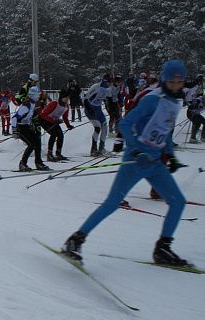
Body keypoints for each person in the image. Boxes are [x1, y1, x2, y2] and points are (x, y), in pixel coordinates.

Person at [61, 60, 190, 267]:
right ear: (165, 80)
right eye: (173, 81)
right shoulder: (152, 100)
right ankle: (75, 240)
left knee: (178, 202)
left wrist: (170, 155)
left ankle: (163, 248)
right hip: (136, 161)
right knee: (113, 203)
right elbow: (125, 123)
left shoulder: (175, 102)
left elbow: (164, 131)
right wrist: (136, 149)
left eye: (180, 81)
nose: (176, 85)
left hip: (155, 162)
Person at [12, 86, 50, 171]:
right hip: (20, 127)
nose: (38, 96)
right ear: (32, 95)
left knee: (37, 142)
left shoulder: (33, 104)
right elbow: (14, 118)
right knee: (31, 144)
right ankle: (22, 164)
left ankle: (38, 163)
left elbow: (31, 116)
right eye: (37, 95)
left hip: (27, 126)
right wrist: (14, 130)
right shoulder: (26, 105)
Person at [39, 90, 74, 162]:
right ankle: (49, 154)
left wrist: (68, 125)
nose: (68, 99)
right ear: (62, 97)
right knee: (54, 134)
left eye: (68, 98)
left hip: (54, 122)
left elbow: (65, 117)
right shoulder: (54, 103)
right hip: (44, 121)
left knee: (61, 135)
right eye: (66, 98)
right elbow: (43, 114)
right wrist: (54, 121)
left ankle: (58, 154)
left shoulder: (66, 106)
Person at [83, 74, 111, 156]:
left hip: (98, 109)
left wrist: (108, 107)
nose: (109, 84)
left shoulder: (107, 90)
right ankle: (93, 150)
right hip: (90, 109)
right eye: (108, 82)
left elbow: (106, 100)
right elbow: (85, 98)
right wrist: (88, 108)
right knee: (97, 127)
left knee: (105, 127)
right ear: (104, 81)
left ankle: (101, 148)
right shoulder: (95, 87)